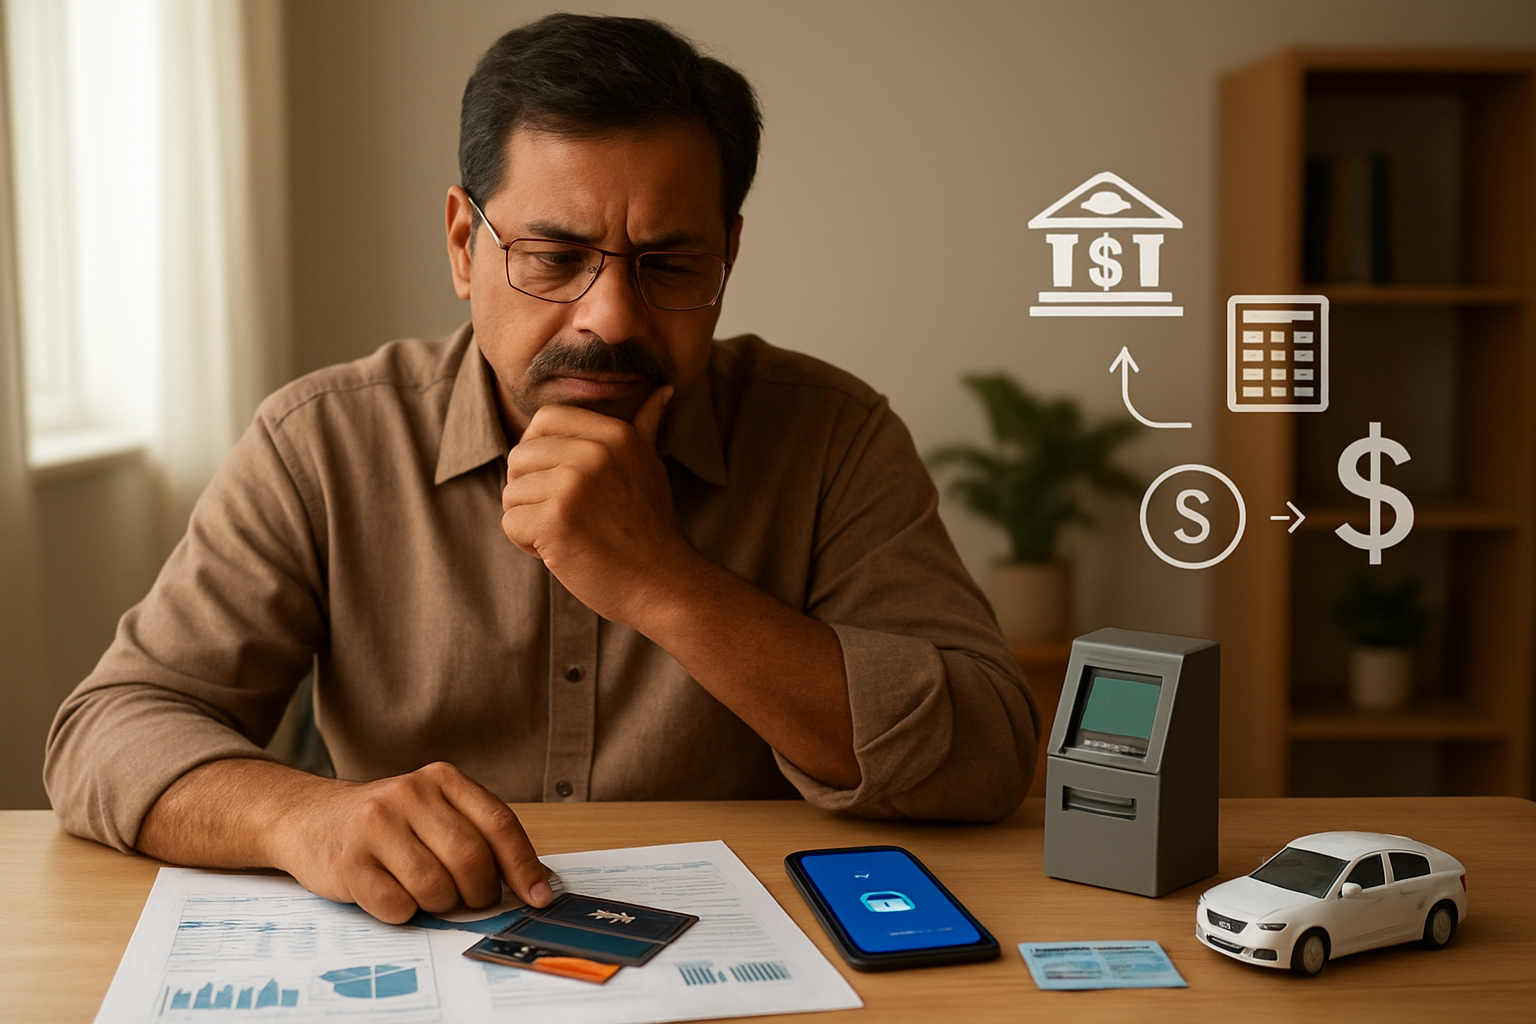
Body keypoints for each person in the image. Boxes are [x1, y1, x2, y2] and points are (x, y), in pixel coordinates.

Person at [44, 14, 1037, 924]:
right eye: (556, 258)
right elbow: (107, 730)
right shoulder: (320, 443)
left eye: (668, 265)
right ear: (463, 245)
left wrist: (665, 582)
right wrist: (299, 816)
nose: (610, 318)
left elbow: (990, 750)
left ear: (727, 258)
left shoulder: (834, 438)